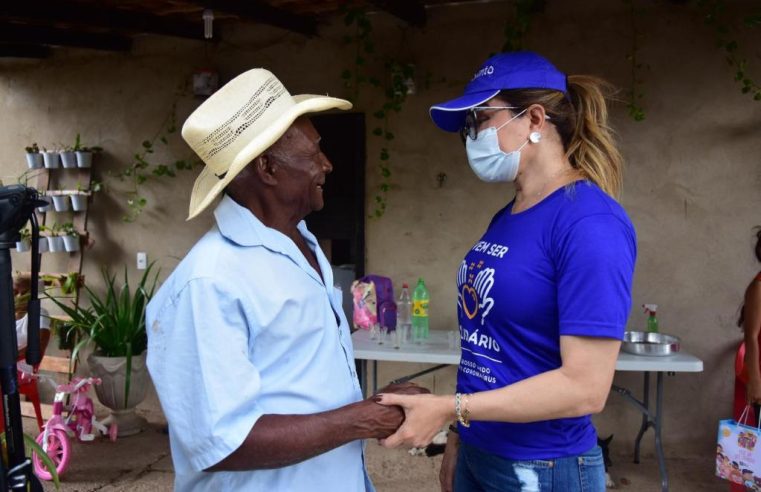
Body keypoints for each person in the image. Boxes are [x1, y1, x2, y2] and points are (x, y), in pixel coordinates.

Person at [145, 69, 427, 492]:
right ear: (267, 168)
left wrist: (377, 402)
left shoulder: (303, 246)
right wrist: (362, 419)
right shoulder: (209, 283)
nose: (327, 165)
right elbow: (223, 442)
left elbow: (297, 384)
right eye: (314, 154)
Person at [375, 51, 637, 492]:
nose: (470, 135)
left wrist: (449, 410)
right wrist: (460, 436)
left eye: (479, 117)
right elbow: (487, 345)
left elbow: (585, 387)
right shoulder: (509, 216)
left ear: (535, 119)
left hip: (543, 468)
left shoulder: (591, 223)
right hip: (481, 451)